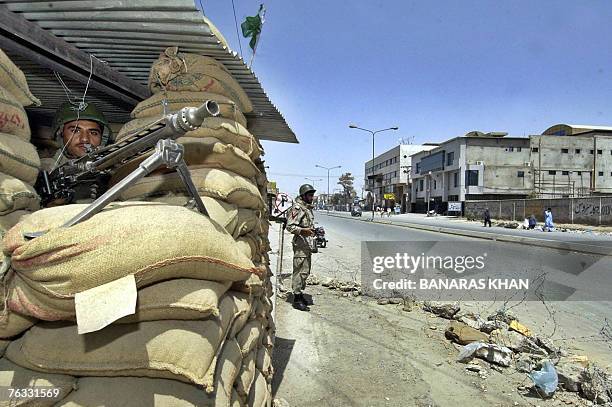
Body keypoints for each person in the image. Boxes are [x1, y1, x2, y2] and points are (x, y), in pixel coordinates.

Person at [41, 101, 111, 171]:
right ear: (60, 134)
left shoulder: (112, 167)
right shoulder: (45, 168)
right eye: (75, 131)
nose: (85, 139)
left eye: (93, 133)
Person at [286, 184, 317, 311]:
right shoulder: (298, 208)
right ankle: (296, 298)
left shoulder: (307, 208)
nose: (312, 197)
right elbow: (290, 226)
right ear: (304, 195)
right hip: (300, 245)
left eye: (312, 195)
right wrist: (304, 231)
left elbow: (307, 225)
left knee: (305, 271)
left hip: (306, 245)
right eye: (310, 195)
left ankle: (299, 293)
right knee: (299, 271)